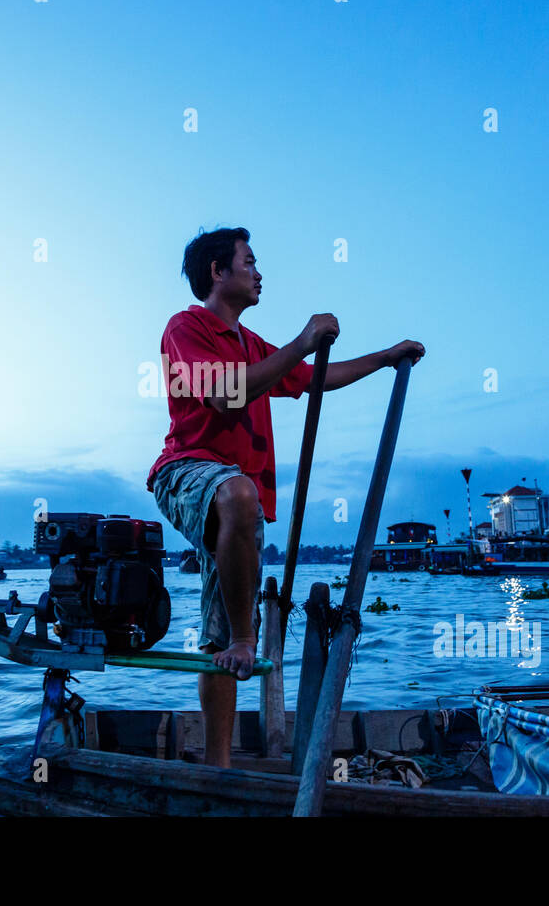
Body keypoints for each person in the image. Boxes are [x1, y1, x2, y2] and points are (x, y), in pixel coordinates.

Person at [148, 227, 425, 767]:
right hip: (187, 473)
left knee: (218, 639)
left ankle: (220, 770)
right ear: (217, 272)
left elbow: (314, 378)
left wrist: (386, 357)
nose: (259, 273)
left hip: (237, 507)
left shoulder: (254, 347)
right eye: (248, 262)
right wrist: (301, 340)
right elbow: (224, 396)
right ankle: (248, 641)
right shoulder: (187, 327)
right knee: (237, 494)